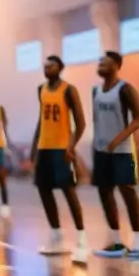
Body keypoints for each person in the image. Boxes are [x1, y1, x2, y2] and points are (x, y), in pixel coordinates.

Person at [31, 55, 88, 265]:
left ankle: (82, 239)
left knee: (68, 190)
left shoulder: (69, 90)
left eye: (51, 66)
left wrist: (71, 146)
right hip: (44, 148)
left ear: (60, 68)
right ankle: (56, 236)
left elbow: (81, 123)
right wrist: (33, 147)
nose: (47, 69)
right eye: (44, 66)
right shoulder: (41, 90)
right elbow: (42, 120)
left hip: (62, 148)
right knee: (44, 190)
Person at [89, 52, 139, 260]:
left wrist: (118, 138)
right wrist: (97, 143)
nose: (100, 64)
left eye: (104, 62)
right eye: (99, 61)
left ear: (116, 66)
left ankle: (138, 244)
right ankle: (116, 242)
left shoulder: (125, 89)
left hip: (122, 150)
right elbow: (96, 120)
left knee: (127, 192)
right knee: (105, 193)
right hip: (101, 150)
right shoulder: (95, 90)